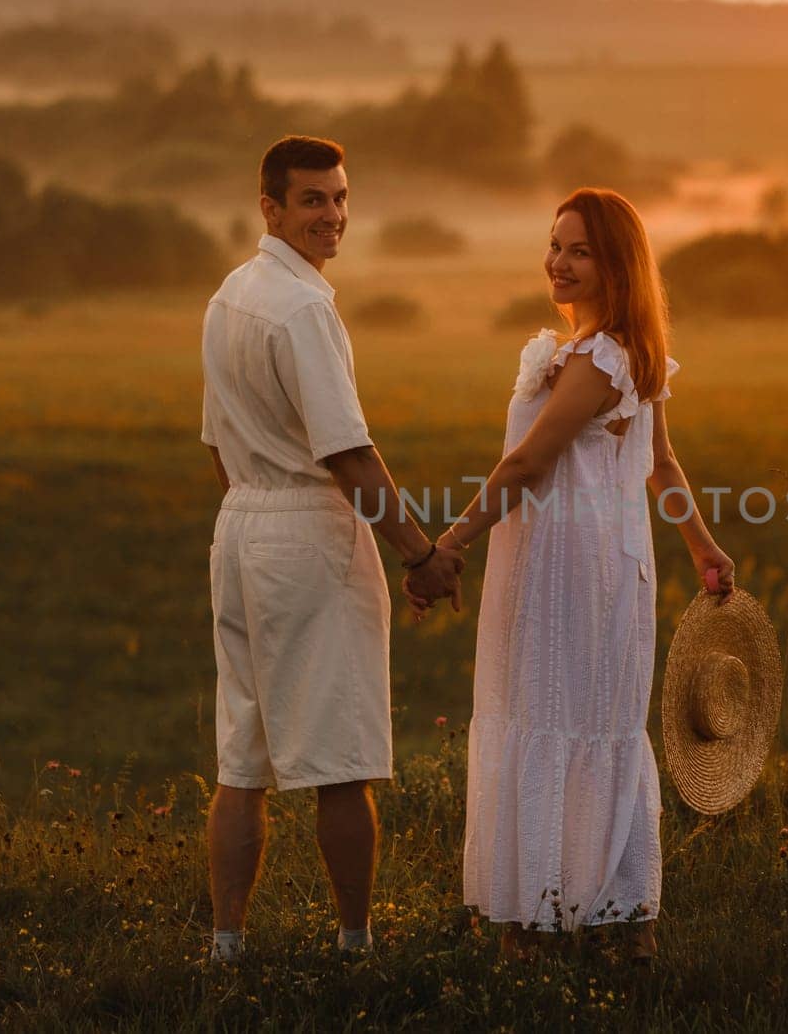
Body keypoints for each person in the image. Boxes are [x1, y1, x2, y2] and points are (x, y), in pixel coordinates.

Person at [429, 188, 735, 963]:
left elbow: (530, 462)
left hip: (568, 567)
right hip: (600, 561)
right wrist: (703, 549)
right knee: (589, 718)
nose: (557, 263)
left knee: (557, 712)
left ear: (615, 266)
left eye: (579, 250)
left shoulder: (603, 356)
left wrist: (451, 540)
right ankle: (606, 918)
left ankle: (539, 921)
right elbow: (662, 466)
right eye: (554, 244)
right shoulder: (626, 348)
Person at [199, 135, 463, 962]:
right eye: (313, 199)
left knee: (243, 757)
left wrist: (256, 507)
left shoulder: (230, 294)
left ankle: (228, 946)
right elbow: (349, 453)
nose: (333, 215)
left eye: (341, 197)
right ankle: (356, 945)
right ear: (270, 208)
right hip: (305, 528)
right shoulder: (305, 307)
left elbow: (214, 441)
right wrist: (421, 553)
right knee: (340, 758)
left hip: (240, 525)